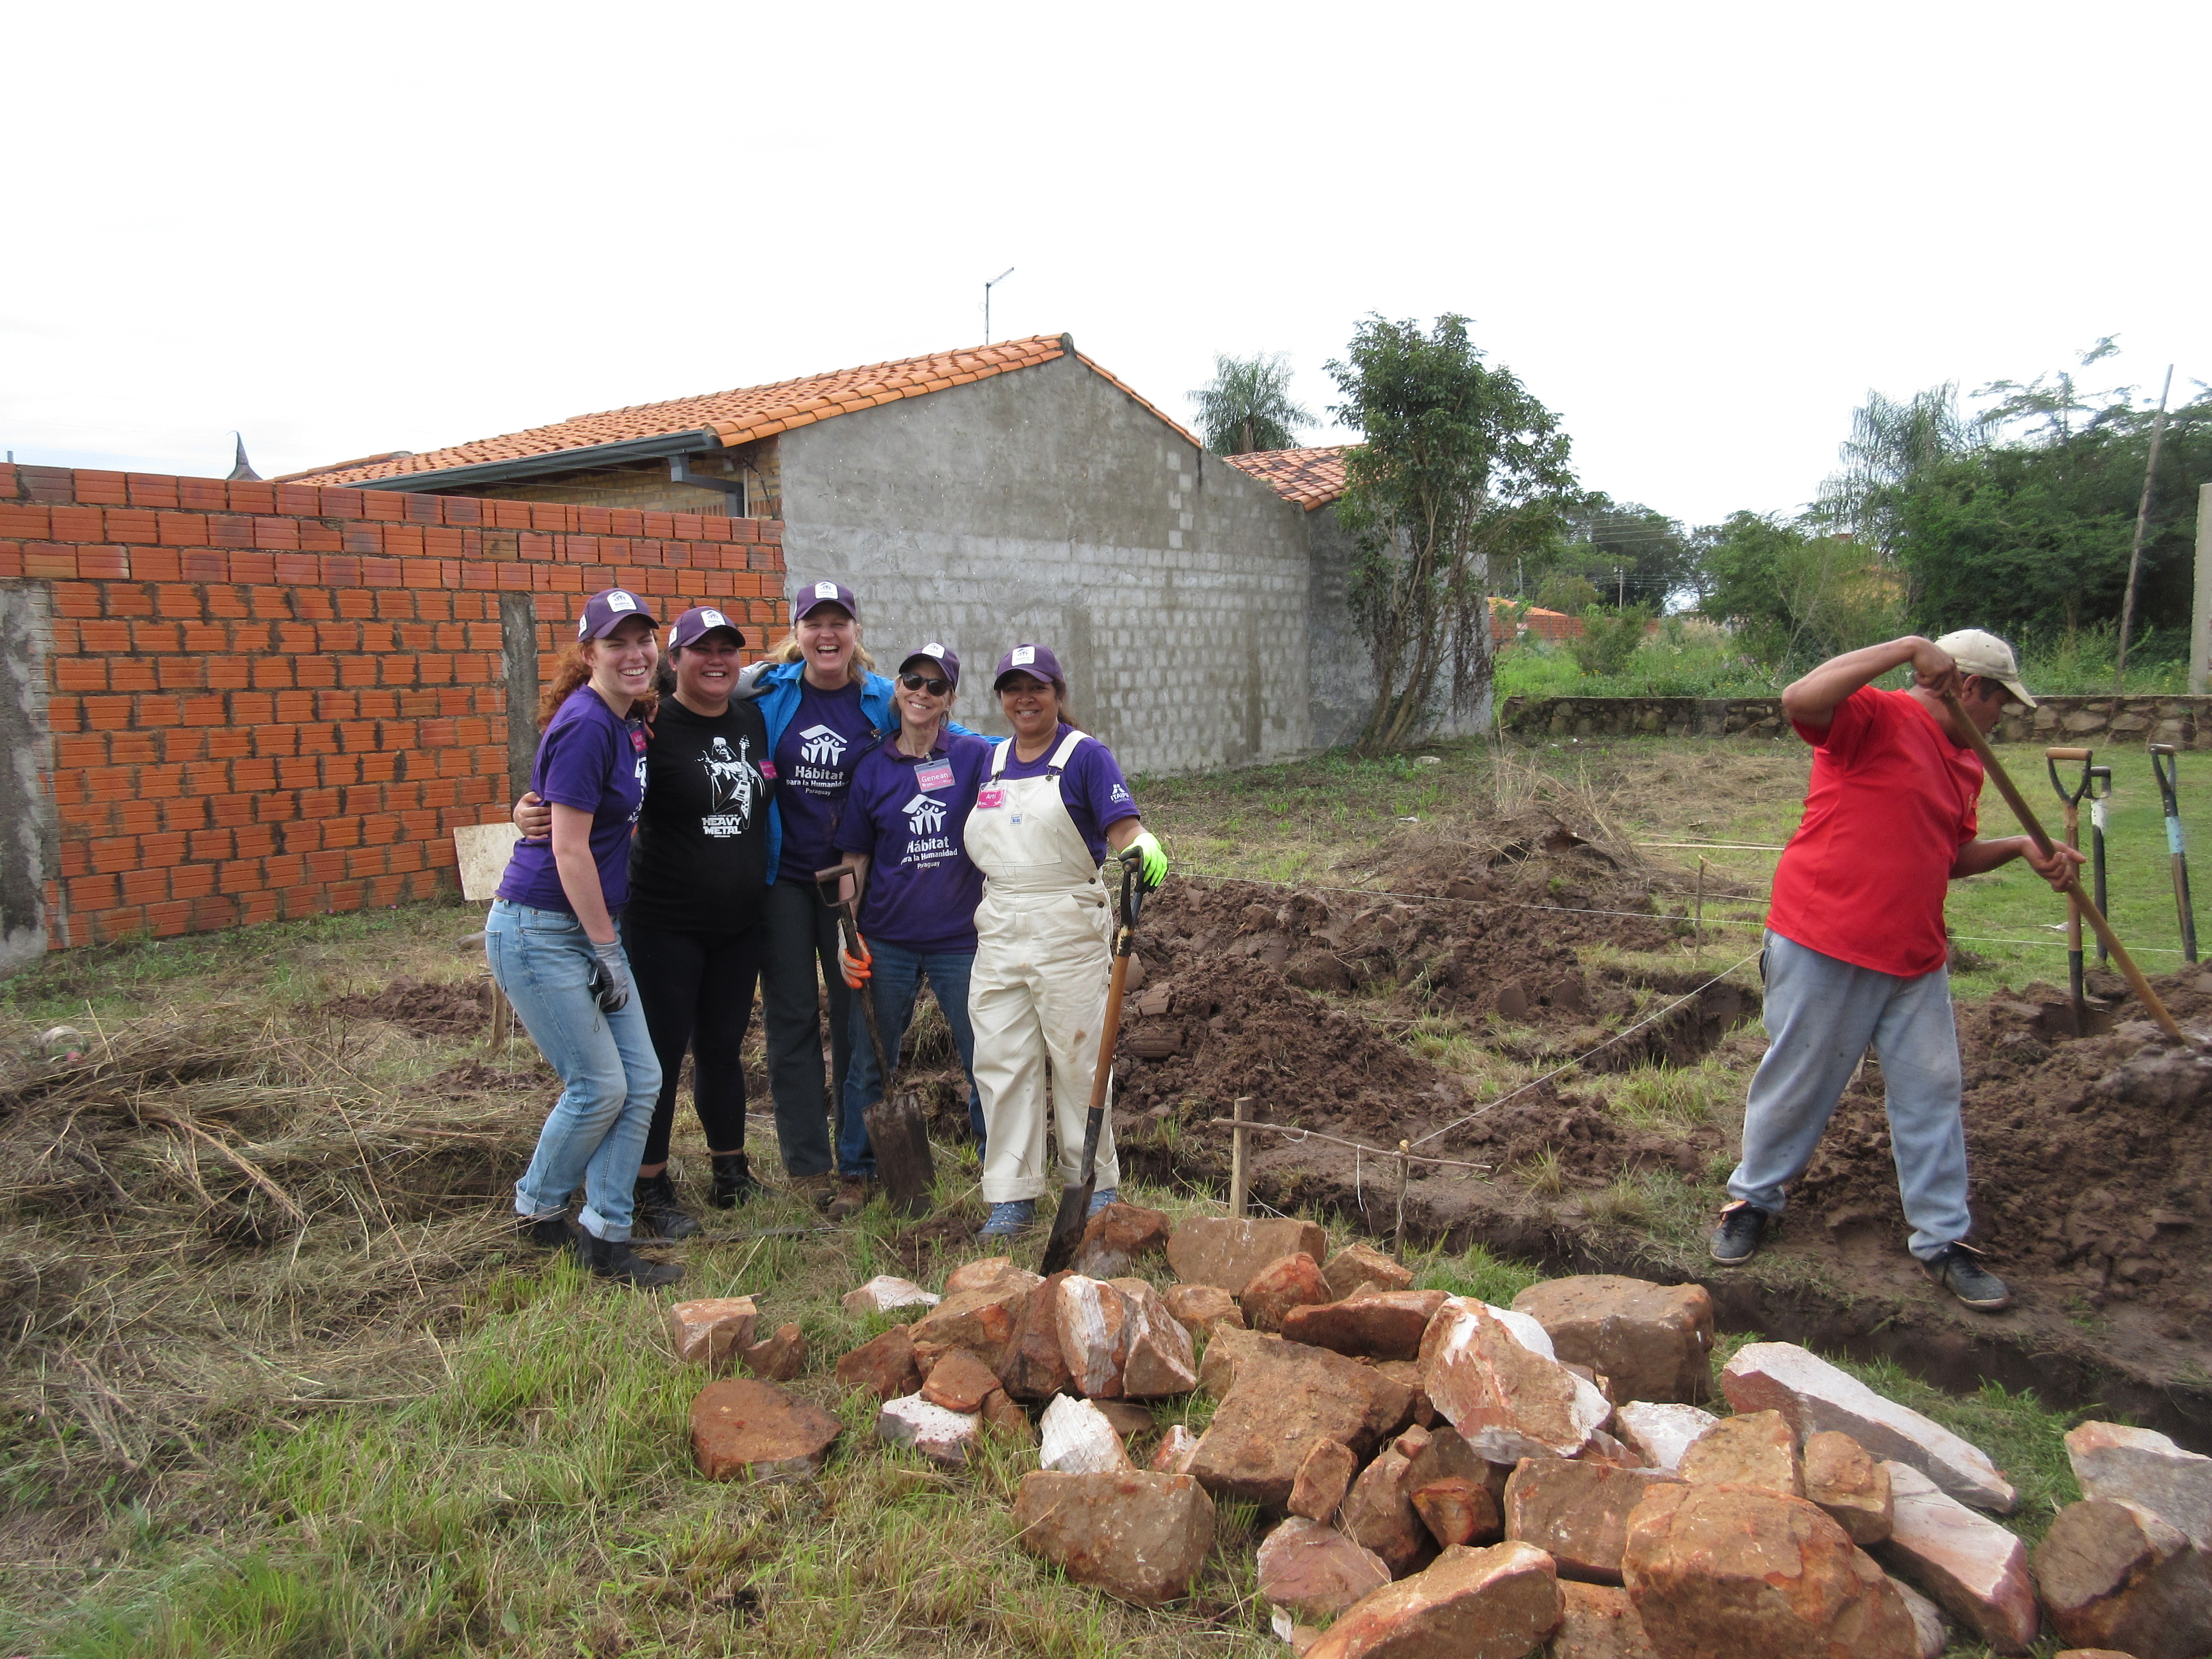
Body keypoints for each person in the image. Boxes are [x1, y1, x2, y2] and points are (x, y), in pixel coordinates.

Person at [1708, 629, 2080, 1312]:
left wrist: (2020, 848)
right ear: (1971, 687)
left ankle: (1942, 1240)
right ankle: (1753, 1201)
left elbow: (1949, 855)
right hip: (1826, 937)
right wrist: (1908, 646)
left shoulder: (1965, 762)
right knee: (1800, 1081)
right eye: (2001, 703)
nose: (2001, 718)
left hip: (1915, 952)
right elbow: (1799, 698)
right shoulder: (1879, 716)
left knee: (1932, 1091)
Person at [514, 605, 774, 1237]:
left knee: (722, 1049)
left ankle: (731, 1171)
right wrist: (525, 811)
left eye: (728, 650)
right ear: (674, 661)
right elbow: (573, 788)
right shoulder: (648, 722)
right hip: (665, 921)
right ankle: (650, 1183)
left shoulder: (751, 718)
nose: (716, 660)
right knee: (656, 1056)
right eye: (701, 650)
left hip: (740, 922)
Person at [487, 588, 680, 1288]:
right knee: (599, 1085)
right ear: (589, 652)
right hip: (541, 928)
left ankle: (605, 1233)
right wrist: (606, 950)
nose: (634, 654)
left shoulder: (629, 719)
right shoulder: (588, 725)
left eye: (643, 640)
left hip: (589, 927)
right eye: (616, 643)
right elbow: (568, 851)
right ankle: (538, 1209)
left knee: (643, 1080)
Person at [964, 644, 1168, 1240]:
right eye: (1013, 688)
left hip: (1066, 922)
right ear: (1001, 698)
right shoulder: (991, 761)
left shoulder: (1085, 756)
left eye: (1038, 687)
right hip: (1000, 922)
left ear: (1058, 693)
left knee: (1080, 1059)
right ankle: (1012, 1195)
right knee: (1002, 1060)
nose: (1025, 699)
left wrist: (1142, 845)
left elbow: (1124, 827)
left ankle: (1096, 1185)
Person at [744, 580, 897, 1202]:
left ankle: (856, 1160)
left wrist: (1028, 750)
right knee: (792, 1019)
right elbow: (683, 701)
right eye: (815, 623)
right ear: (798, 630)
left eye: (839, 623)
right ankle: (808, 1167)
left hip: (851, 885)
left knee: (858, 1019)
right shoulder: (768, 693)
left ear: (856, 631)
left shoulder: (882, 701)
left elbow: (946, 735)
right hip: (783, 880)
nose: (827, 635)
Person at [826, 643, 990, 1220]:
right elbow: (855, 860)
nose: (922, 693)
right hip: (886, 940)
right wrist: (848, 936)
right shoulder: (873, 767)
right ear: (897, 688)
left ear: (951, 700)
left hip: (961, 940)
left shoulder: (974, 758)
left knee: (984, 1057)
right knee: (870, 1061)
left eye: (935, 686)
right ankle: (857, 1170)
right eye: (912, 681)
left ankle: (998, 1167)